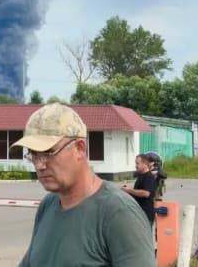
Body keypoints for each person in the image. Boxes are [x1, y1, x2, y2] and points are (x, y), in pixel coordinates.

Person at [14, 103, 154, 267]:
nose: (39, 165)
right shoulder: (48, 205)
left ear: (79, 148)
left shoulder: (119, 214)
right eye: (34, 155)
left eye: (48, 152)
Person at [122, 154, 157, 225]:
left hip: (146, 215)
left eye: (137, 163)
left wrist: (129, 190)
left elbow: (146, 193)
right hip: (139, 214)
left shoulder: (149, 177)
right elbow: (137, 192)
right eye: (136, 163)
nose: (136, 165)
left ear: (144, 164)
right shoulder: (141, 176)